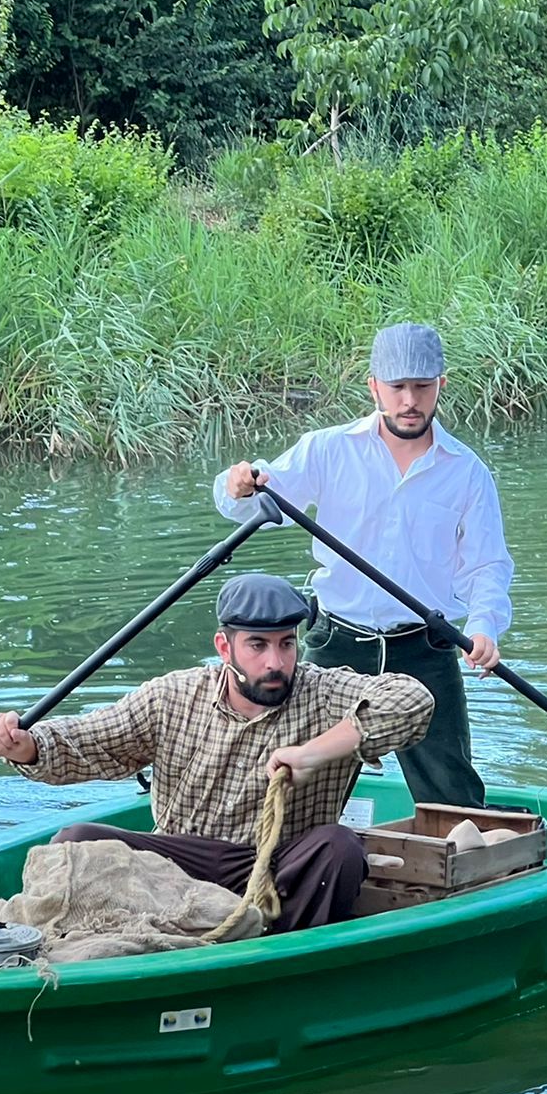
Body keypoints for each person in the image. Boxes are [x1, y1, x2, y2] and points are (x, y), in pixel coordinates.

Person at [0, 573, 435, 932]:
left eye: (286, 644)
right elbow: (91, 739)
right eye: (257, 646)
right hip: (176, 864)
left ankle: (273, 944)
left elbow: (413, 702)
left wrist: (314, 753)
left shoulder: (322, 689)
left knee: (340, 848)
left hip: (277, 865)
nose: (275, 662)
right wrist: (27, 745)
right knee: (75, 841)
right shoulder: (174, 695)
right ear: (225, 648)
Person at [214, 322, 512, 810]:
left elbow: (488, 566)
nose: (409, 401)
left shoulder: (468, 472)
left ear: (442, 384)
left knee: (452, 792)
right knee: (292, 778)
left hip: (426, 645)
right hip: (337, 643)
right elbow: (257, 502)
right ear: (374, 386)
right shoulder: (327, 449)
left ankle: (465, 871)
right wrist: (238, 486)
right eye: (397, 387)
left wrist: (483, 628)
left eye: (422, 386)